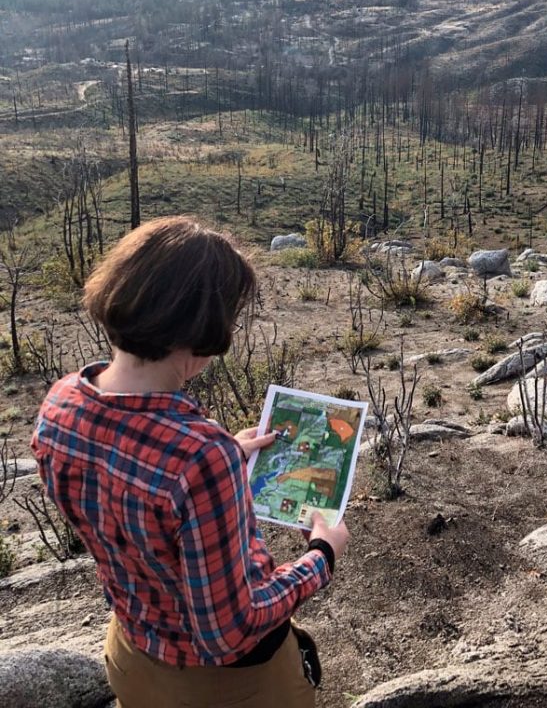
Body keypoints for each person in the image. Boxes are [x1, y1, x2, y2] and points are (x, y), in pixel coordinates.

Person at [31, 215, 349, 708]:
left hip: (132, 655)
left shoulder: (61, 403)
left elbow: (125, 492)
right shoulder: (200, 459)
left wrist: (226, 454)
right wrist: (321, 556)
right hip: (228, 688)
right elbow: (229, 631)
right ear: (202, 329)